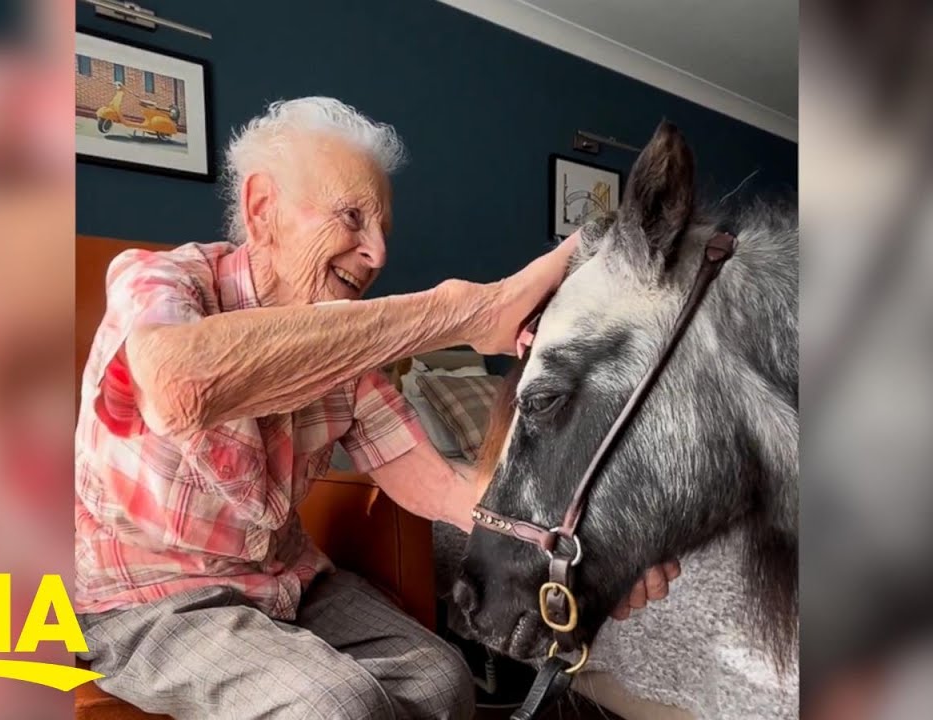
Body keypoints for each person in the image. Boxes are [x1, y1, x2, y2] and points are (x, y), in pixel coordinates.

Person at [75, 96, 679, 720]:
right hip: (147, 601)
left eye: (383, 227)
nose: (379, 253)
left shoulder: (348, 352)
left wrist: (597, 549)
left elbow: (446, 488)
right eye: (352, 217)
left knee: (444, 680)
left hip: (287, 583)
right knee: (337, 706)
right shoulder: (158, 282)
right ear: (262, 210)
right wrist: (461, 310)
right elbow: (179, 385)